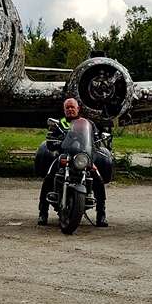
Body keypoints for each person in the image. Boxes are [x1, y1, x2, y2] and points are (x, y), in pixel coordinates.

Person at [38, 97, 107, 227]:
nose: (70, 109)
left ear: (78, 108)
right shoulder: (59, 124)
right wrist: (56, 142)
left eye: (72, 107)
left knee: (98, 179)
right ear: (64, 110)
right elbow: (50, 140)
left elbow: (96, 140)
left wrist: (97, 143)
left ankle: (101, 214)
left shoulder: (88, 124)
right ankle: (43, 213)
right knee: (49, 177)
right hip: (64, 156)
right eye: (67, 107)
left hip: (82, 158)